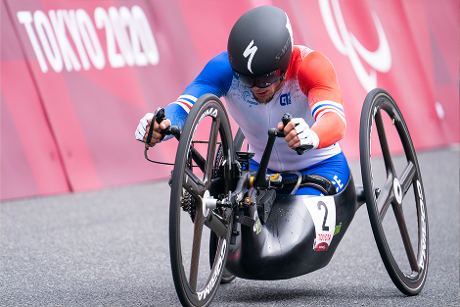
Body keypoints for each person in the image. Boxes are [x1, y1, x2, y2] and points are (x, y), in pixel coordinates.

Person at [135, 5, 349, 196]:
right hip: (260, 171)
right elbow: (184, 107)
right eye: (247, 79)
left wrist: (312, 135)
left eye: (267, 77)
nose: (257, 87)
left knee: (296, 232)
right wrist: (161, 125)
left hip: (321, 167)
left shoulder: (309, 65)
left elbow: (335, 120)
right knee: (239, 232)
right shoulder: (224, 69)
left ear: (284, 64)